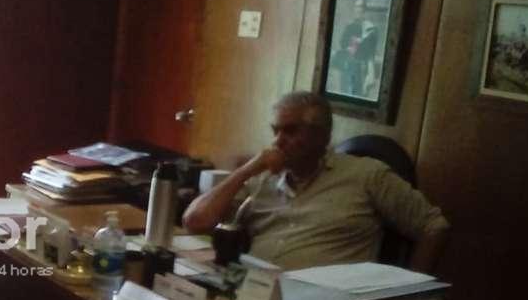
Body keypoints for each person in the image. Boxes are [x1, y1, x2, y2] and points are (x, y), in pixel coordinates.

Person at [182, 91, 450, 272]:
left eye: (290, 131)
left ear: (322, 136)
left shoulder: (366, 175)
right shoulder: (262, 178)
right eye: (275, 131)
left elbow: (434, 226)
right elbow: (195, 222)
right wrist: (247, 170)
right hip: (254, 296)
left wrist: (408, 294)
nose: (278, 141)